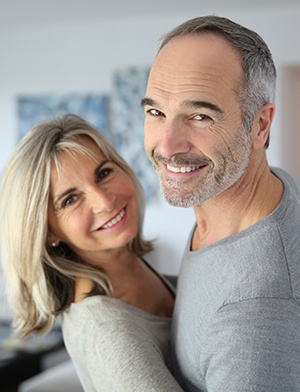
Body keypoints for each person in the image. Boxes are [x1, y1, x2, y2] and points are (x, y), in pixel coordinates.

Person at [142, 15, 300, 392]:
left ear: (260, 125)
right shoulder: (267, 190)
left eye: (200, 116)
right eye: (155, 112)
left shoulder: (257, 312)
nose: (166, 146)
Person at [0, 114, 184, 392]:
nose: (104, 201)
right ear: (47, 232)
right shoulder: (105, 329)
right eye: (70, 199)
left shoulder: (131, 268)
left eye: (104, 173)